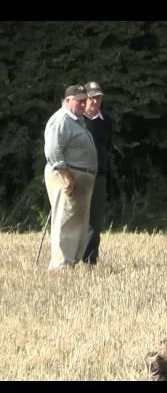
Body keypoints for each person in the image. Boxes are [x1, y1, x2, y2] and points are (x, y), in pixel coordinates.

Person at [43, 85, 97, 270]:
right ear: (67, 101)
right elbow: (52, 149)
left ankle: (70, 263)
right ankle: (60, 266)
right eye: (79, 101)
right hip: (68, 177)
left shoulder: (77, 120)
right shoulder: (61, 120)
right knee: (65, 220)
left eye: (84, 100)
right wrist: (66, 176)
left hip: (80, 178)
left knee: (77, 223)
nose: (83, 104)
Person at [82, 81, 113, 265]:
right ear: (84, 99)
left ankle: (90, 260)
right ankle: (69, 259)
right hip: (78, 175)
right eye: (92, 98)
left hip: (99, 175)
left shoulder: (106, 120)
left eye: (98, 98)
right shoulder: (77, 120)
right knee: (75, 218)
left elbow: (107, 144)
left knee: (95, 221)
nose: (95, 102)